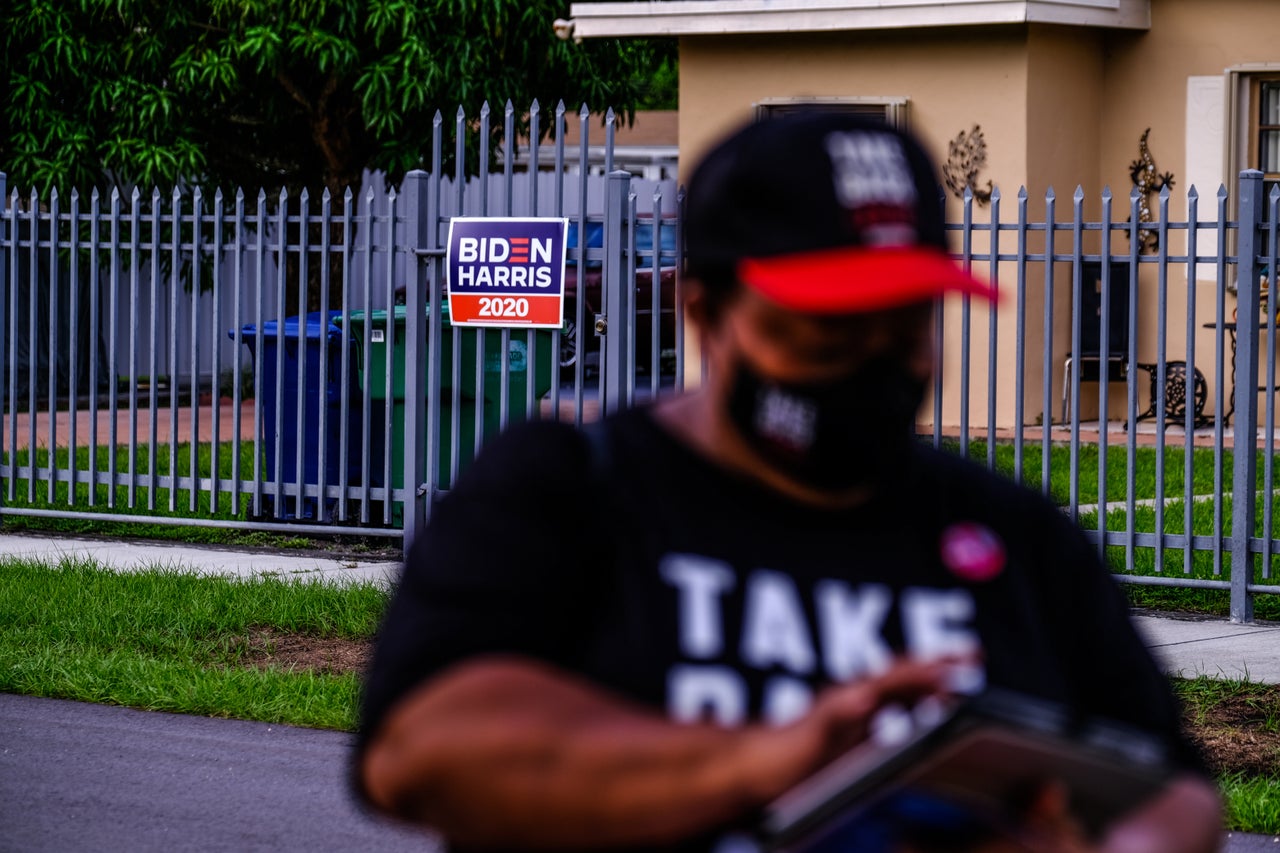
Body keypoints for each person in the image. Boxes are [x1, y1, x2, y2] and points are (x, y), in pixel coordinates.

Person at [353, 112, 1222, 853]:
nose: (871, 360)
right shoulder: (571, 488)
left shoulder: (1016, 536)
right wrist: (769, 755)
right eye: (825, 330)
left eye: (904, 323)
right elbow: (419, 748)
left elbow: (1177, 791)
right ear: (704, 312)